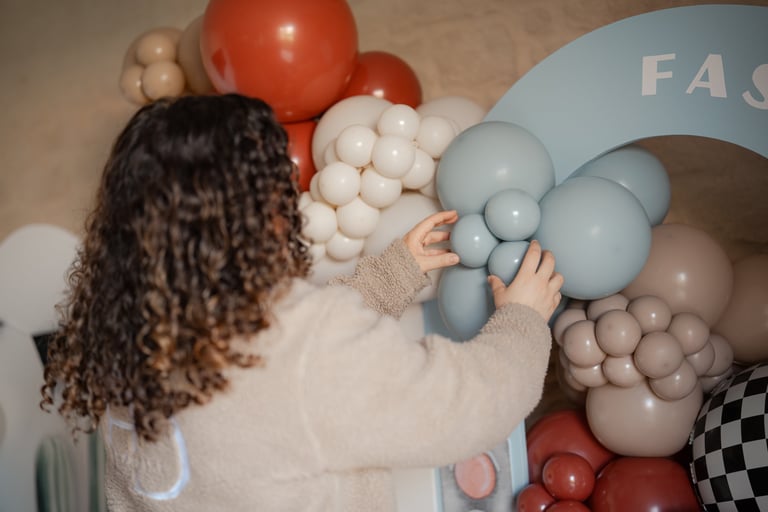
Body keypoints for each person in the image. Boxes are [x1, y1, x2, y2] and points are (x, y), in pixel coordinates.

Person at [41, 93, 563, 512]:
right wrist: (522, 319)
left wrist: (392, 274)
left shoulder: (122, 333)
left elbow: (283, 366)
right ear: (262, 210)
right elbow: (462, 406)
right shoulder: (304, 348)